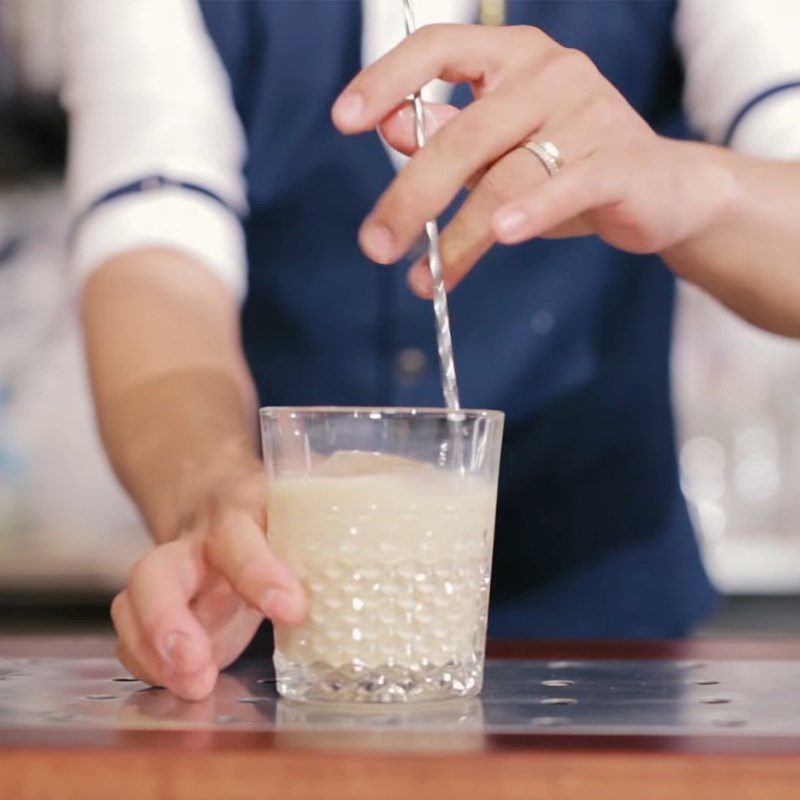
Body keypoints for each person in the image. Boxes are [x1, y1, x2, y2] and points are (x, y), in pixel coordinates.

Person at [62, 0, 800, 700]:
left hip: (611, 649)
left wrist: (687, 186)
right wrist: (206, 485)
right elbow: (153, 259)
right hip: (284, 659)